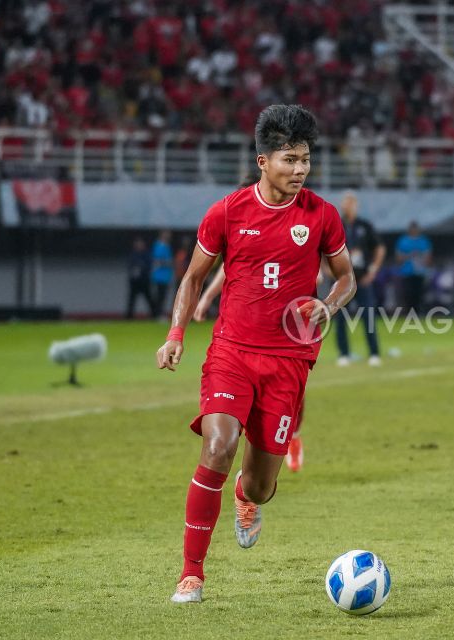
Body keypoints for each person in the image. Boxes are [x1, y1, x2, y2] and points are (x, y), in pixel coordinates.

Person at [157, 105, 355, 603]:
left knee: (260, 483)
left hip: (288, 361)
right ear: (263, 161)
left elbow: (347, 278)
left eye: (306, 159)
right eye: (290, 159)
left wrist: (328, 306)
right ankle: (191, 573)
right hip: (233, 352)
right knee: (218, 444)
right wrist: (176, 333)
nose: (301, 169)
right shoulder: (226, 211)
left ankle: (248, 498)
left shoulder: (323, 216)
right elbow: (195, 276)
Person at [193, 263, 306, 473]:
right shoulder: (246, 232)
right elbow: (232, 263)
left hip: (289, 326)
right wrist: (209, 294)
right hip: (248, 326)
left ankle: (294, 436)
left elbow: (318, 272)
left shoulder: (305, 231)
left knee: (296, 393)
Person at [333, 190, 385, 367]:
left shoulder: (365, 225)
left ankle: (374, 353)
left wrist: (373, 270)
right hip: (342, 279)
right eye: (345, 202)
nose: (347, 206)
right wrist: (327, 269)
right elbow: (323, 250)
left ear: (356, 205)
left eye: (350, 202)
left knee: (368, 315)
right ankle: (344, 354)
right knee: (340, 317)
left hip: (362, 277)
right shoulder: (336, 224)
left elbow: (379, 248)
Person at [396, 221, 432, 312]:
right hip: (407, 272)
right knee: (408, 294)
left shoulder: (423, 241)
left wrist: (420, 257)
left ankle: (418, 313)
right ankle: (408, 313)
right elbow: (399, 258)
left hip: (420, 272)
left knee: (419, 294)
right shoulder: (403, 241)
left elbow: (428, 258)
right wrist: (410, 255)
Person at [125, 236, 153, 319]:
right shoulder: (133, 254)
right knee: (132, 299)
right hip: (134, 281)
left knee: (149, 299)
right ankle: (129, 317)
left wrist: (142, 267)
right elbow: (130, 266)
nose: (139, 245)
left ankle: (154, 314)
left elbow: (149, 265)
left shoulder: (146, 254)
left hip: (144, 280)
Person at [151, 229, 174, 318]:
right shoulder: (158, 245)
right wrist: (168, 262)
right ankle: (158, 314)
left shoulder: (167, 246)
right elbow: (157, 261)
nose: (168, 236)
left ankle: (159, 313)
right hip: (159, 276)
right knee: (159, 296)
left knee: (163, 297)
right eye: (166, 234)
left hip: (166, 276)